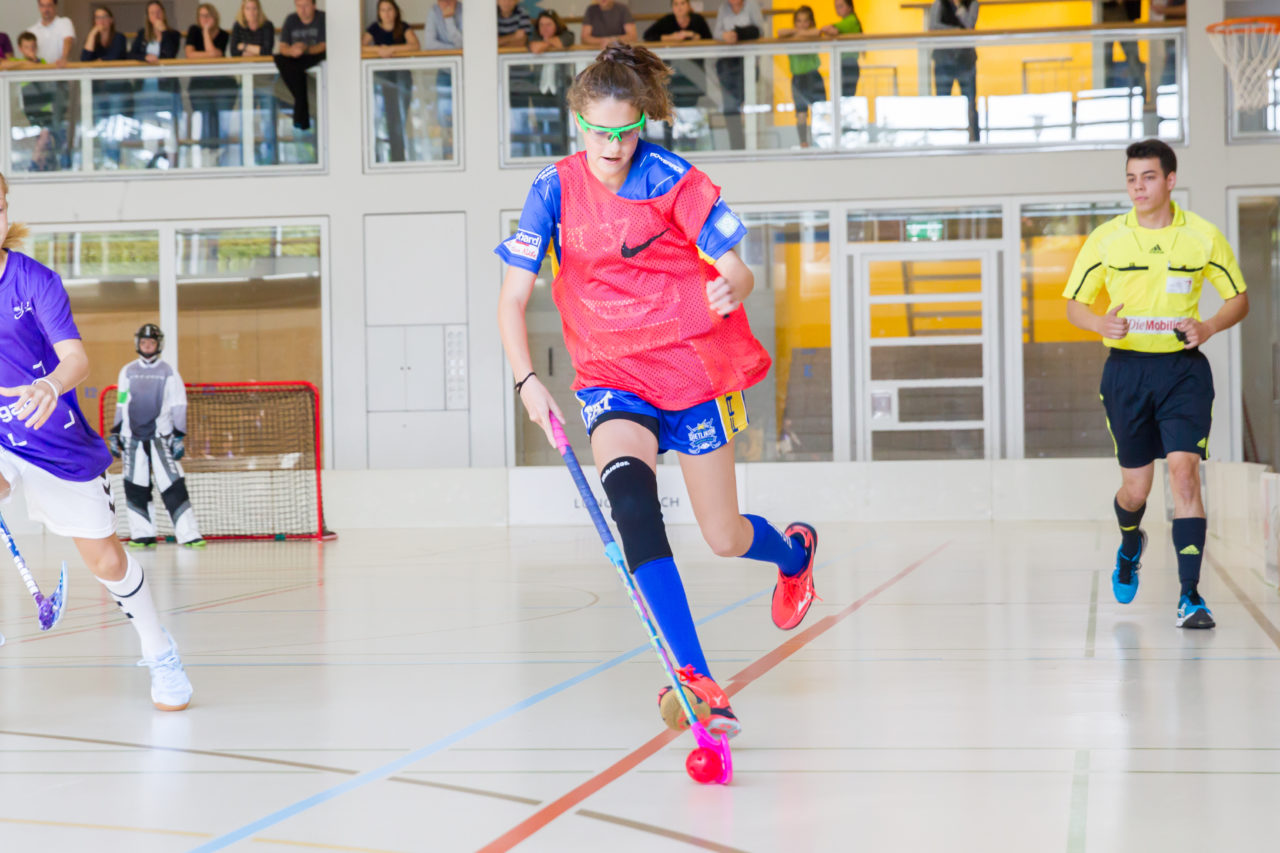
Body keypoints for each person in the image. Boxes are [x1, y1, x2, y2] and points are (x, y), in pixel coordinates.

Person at [496, 44, 819, 739]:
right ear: (577, 120)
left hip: (691, 370)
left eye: (625, 132)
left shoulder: (673, 179)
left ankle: (794, 554)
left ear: (643, 122)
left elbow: (739, 268)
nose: (612, 148)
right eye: (598, 132)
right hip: (612, 378)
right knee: (633, 507)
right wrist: (528, 380)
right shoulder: (552, 188)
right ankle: (698, 675)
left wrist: (734, 283)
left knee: (724, 535)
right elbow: (511, 299)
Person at [0, 173, 193, 711]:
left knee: (106, 562)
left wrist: (49, 385)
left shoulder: (35, 281)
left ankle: (159, 648)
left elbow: (76, 358)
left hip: (51, 434)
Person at [1061, 139, 1249, 630]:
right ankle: (1129, 545)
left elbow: (1239, 299)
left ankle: (1191, 595)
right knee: (1135, 489)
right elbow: (1074, 306)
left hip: (1183, 370)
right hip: (1126, 373)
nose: (1137, 187)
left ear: (1170, 180)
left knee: (1184, 474)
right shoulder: (1106, 239)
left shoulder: (1202, 237)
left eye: (1147, 177)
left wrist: (1207, 327)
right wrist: (1099, 324)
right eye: (1130, 178)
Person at [108, 325, 205, 550]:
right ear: (138, 344)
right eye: (144, 343)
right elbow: (122, 402)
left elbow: (178, 404)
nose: (147, 346)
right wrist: (115, 432)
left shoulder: (168, 372)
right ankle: (143, 535)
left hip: (161, 438)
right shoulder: (127, 371)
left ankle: (189, 534)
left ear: (158, 345)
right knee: (135, 486)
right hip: (132, 439)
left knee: (173, 485)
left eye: (151, 343)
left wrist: (178, 435)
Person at [644, 0, 712, 149]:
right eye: (676, 4)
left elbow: (709, 39)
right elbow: (648, 35)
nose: (679, 7)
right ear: (672, 7)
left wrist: (691, 35)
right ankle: (669, 147)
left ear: (688, 6)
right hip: (672, 76)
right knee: (667, 109)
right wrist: (671, 38)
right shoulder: (668, 21)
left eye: (682, 4)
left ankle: (692, 146)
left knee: (690, 112)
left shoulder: (697, 20)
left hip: (693, 76)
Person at [364, 0, 419, 162]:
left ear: (395, 11)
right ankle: (376, 157)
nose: (386, 13)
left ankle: (399, 158)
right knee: (379, 116)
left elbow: (415, 46)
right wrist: (379, 50)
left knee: (399, 118)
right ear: (378, 13)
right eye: (382, 10)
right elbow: (360, 47)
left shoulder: (403, 27)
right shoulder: (374, 28)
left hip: (401, 77)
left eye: (389, 9)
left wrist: (392, 49)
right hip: (381, 78)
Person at [79, 6, 131, 169]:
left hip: (116, 89)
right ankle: (107, 159)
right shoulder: (93, 40)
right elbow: (84, 60)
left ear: (111, 19)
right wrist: (93, 33)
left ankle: (115, 160)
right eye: (97, 18)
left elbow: (113, 58)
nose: (101, 21)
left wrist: (98, 63)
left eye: (104, 17)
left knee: (114, 125)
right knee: (101, 126)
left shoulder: (119, 38)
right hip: (99, 91)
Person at [713, 0, 765, 150]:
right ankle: (737, 146)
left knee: (747, 104)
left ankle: (751, 145)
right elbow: (716, 32)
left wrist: (738, 35)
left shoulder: (751, 5)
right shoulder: (723, 8)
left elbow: (760, 30)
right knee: (730, 106)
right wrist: (725, 35)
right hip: (728, 63)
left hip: (747, 62)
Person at [185, 4, 233, 159]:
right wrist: (209, 53)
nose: (204, 19)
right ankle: (206, 153)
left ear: (214, 17)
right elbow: (190, 54)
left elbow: (216, 55)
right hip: (199, 83)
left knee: (219, 118)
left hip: (220, 84)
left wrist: (206, 32)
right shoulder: (193, 31)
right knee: (205, 117)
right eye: (201, 16)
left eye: (207, 16)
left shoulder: (223, 35)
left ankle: (220, 153)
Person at [928, 0, 979, 142]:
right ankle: (943, 140)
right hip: (943, 61)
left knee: (970, 105)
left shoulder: (971, 4)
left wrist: (959, 8)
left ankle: (974, 141)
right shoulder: (939, 4)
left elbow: (969, 26)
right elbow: (932, 27)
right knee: (943, 103)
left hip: (966, 61)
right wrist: (956, 31)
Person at [275, 0, 327, 131]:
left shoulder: (322, 18)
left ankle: (300, 116)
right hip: (295, 56)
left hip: (314, 53)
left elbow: (323, 45)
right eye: (299, 6)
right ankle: (301, 110)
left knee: (295, 68)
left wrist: (305, 49)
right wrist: (292, 51)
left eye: (306, 6)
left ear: (314, 6)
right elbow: (282, 47)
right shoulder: (291, 19)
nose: (302, 10)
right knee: (280, 59)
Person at [779, 5, 825, 148]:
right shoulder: (791, 35)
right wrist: (798, 32)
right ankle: (803, 142)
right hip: (798, 78)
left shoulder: (813, 34)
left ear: (811, 22)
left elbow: (817, 32)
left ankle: (820, 142)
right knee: (801, 114)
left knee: (819, 112)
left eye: (805, 21)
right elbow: (780, 32)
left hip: (813, 76)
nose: (802, 24)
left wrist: (799, 34)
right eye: (799, 21)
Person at [820, 0, 861, 98]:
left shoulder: (851, 20)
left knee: (845, 97)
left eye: (841, 6)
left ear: (850, 7)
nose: (838, 9)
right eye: (836, 7)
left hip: (849, 63)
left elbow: (827, 29)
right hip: (844, 63)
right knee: (842, 96)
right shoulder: (846, 22)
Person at [31, 0, 75, 67]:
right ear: (39, 7)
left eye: (49, 5)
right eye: (42, 6)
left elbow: (68, 40)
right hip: (40, 72)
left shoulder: (64, 22)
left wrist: (64, 58)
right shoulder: (32, 31)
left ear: (55, 6)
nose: (46, 9)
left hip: (61, 71)